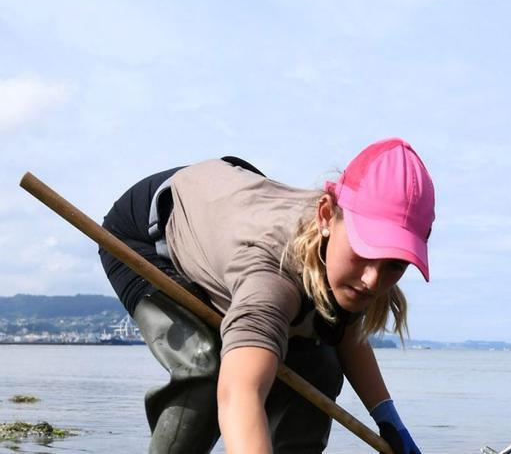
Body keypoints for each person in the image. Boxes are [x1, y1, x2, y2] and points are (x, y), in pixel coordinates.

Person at [99, 137, 433, 454]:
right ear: (326, 216)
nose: (372, 280)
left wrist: (388, 418)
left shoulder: (349, 261)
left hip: (227, 216)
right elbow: (239, 394)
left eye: (394, 264)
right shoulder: (270, 278)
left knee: (320, 371)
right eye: (363, 251)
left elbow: (342, 329)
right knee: (204, 366)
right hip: (147, 238)